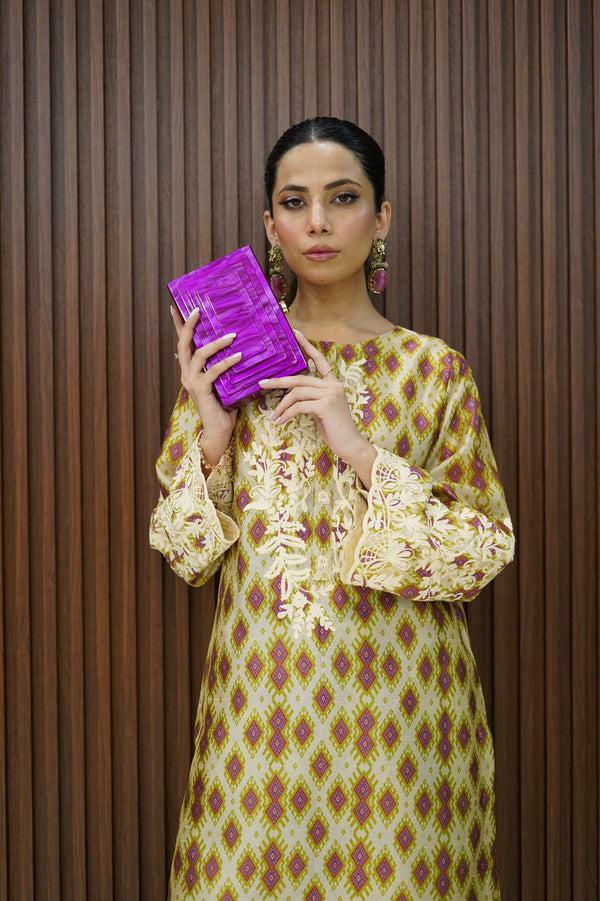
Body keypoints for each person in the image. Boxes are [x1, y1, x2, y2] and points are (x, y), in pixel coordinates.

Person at [150, 117, 515, 901]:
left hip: (403, 717)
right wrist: (211, 430)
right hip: (260, 713)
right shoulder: (229, 368)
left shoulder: (433, 369)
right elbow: (184, 554)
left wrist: (357, 448)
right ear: (270, 225)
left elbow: (482, 551)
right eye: (295, 201)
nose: (317, 222)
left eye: (342, 197)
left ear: (380, 217)